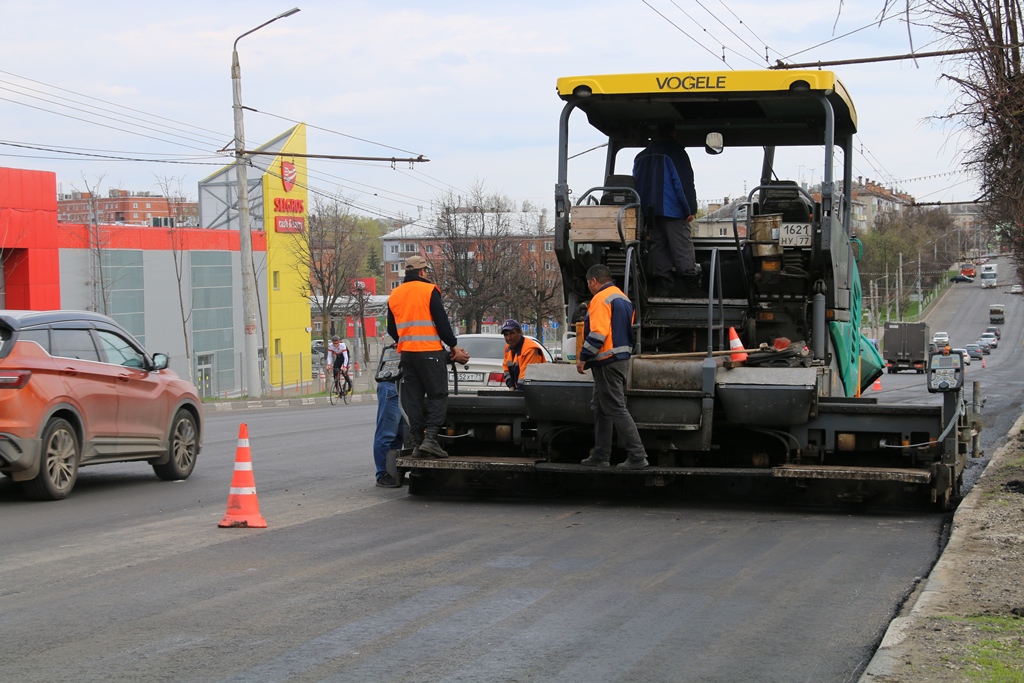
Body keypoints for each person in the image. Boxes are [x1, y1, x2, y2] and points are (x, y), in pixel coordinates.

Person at [387, 255, 470, 458]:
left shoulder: (395, 294)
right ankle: (431, 439)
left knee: (414, 399)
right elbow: (441, 322)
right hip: (430, 353)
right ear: (422, 271)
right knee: (438, 395)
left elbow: (391, 328)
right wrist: (453, 347)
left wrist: (404, 340)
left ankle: (418, 442)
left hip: (407, 355)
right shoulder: (429, 290)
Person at [576, 264, 649, 469]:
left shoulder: (600, 299)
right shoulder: (623, 299)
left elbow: (599, 333)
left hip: (606, 361)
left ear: (593, 281)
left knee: (616, 408)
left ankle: (637, 456)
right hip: (618, 360)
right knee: (601, 407)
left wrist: (583, 357)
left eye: (588, 283)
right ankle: (601, 455)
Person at [632, 123, 698, 297]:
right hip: (672, 209)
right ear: (673, 133)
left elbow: (635, 183)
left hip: (649, 211)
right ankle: (690, 286)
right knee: (681, 245)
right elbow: (682, 183)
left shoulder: (640, 156)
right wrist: (690, 208)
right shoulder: (676, 153)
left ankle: (663, 287)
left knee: (658, 245)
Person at [373, 358, 404, 488]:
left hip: (402, 386)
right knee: (387, 433)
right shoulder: (404, 348)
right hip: (392, 385)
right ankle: (383, 474)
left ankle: (393, 473)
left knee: (399, 435)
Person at [500, 318, 547, 390]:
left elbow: (526, 378)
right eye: (506, 335)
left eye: (512, 333)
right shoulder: (508, 348)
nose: (509, 338)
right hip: (524, 389)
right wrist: (511, 386)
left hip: (536, 390)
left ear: (520, 332)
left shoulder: (530, 349)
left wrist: (517, 393)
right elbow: (506, 370)